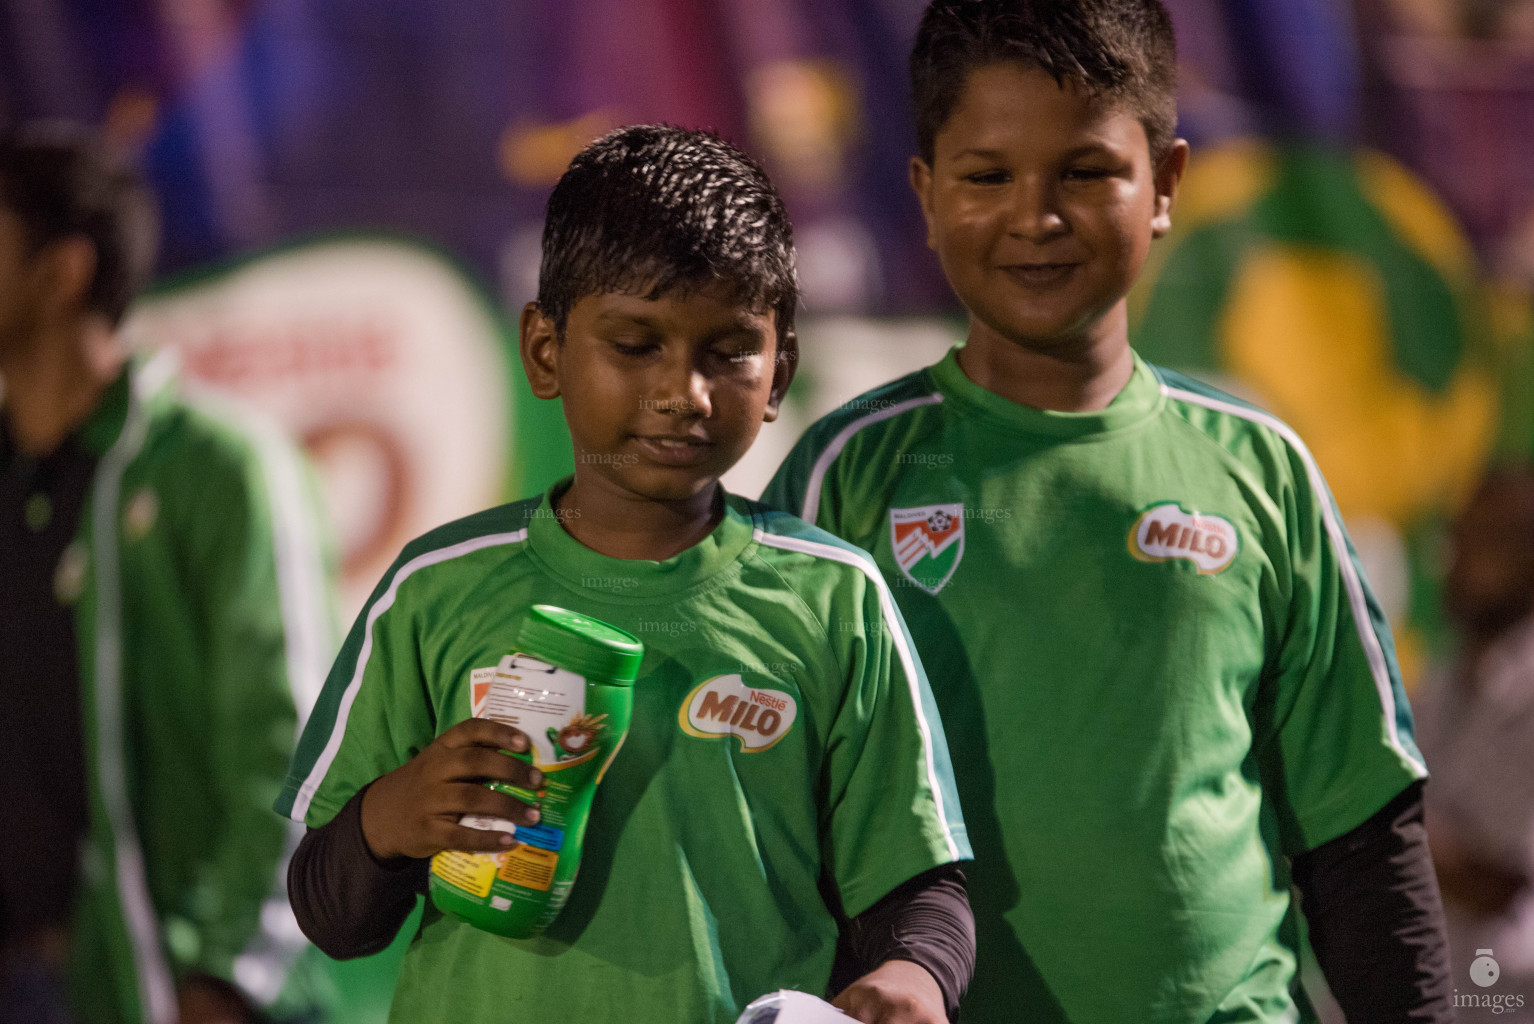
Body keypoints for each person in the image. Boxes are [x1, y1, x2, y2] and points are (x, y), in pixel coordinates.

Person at [762, 2, 1455, 1021]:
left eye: (1085, 172)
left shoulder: (1260, 466)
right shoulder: (843, 473)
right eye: (986, 175)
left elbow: (1360, 837)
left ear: (1165, 184)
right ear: (923, 191)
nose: (1035, 216)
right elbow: (768, 818)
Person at [278, 123, 976, 1024]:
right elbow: (328, 911)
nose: (683, 392)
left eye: (727, 352)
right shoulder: (435, 587)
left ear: (780, 374)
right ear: (544, 352)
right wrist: (391, 818)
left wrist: (914, 976)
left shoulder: (836, 597)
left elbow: (920, 888)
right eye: (636, 344)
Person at [0, 124, 334, 1024]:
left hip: (182, 990)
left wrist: (223, 977)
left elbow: (299, 746)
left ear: (60, 269)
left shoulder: (219, 467)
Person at [1417, 466, 1534, 1019]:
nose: (1463, 554)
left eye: (1494, 537)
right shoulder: (1433, 691)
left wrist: (1372, 814)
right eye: (1460, 534)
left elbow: (1501, 885)